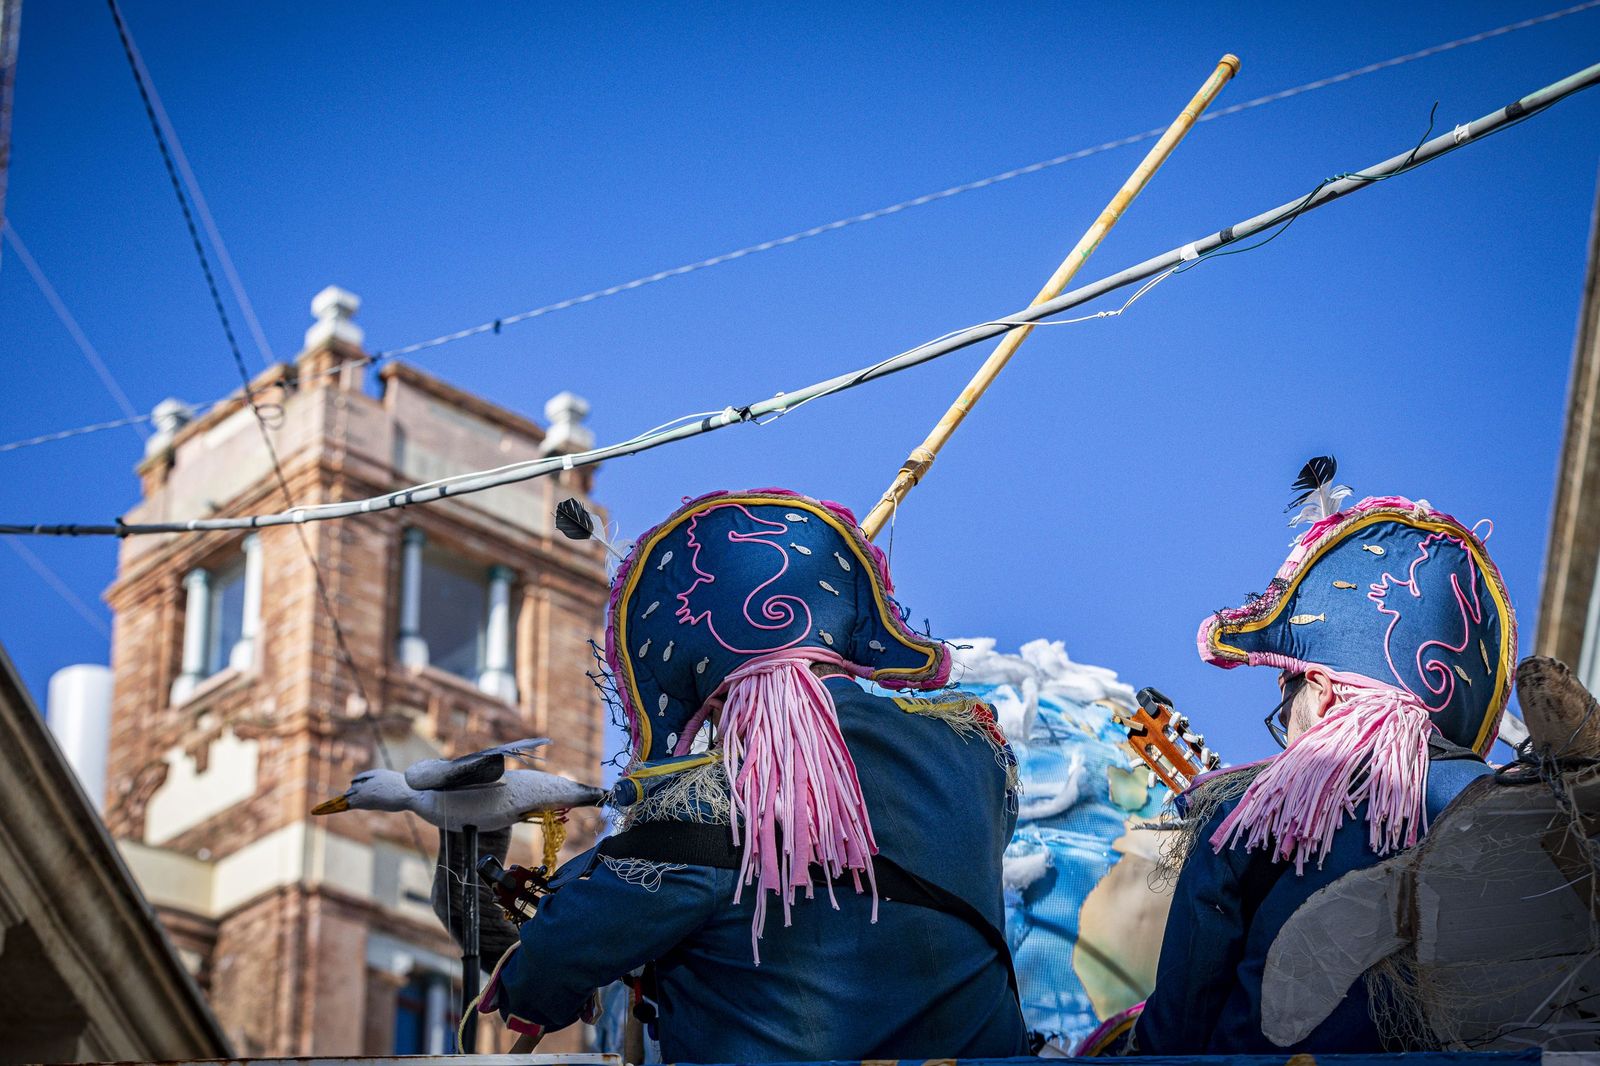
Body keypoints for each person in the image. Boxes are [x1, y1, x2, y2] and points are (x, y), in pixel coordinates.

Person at [476, 489, 1028, 1062]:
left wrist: (533, 980)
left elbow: (555, 958)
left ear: (713, 698)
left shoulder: (712, 802)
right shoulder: (976, 755)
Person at [1130, 472, 1516, 1054]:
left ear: (1323, 691)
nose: (1283, 735)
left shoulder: (1250, 811)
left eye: (1285, 705)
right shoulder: (1510, 800)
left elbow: (1177, 1032)